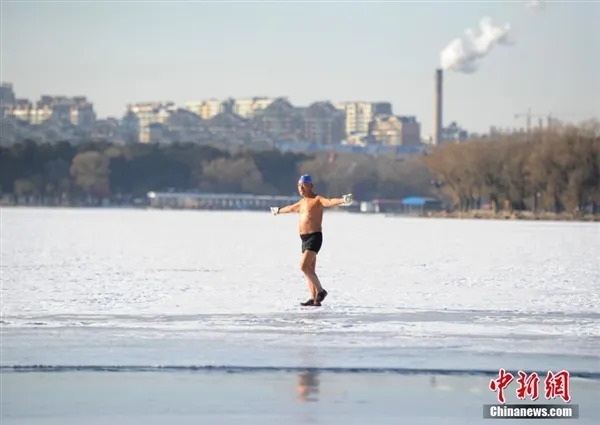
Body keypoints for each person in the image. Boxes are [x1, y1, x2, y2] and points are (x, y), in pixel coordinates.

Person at [270, 174, 352, 306]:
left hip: (315, 237)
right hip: (304, 239)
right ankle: (314, 299)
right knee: (310, 269)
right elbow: (290, 208)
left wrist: (343, 200)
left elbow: (329, 202)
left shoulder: (317, 199)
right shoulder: (301, 203)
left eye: (304, 185)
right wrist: (278, 210)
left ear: (311, 186)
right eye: (299, 185)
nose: (301, 187)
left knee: (303, 266)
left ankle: (321, 291)